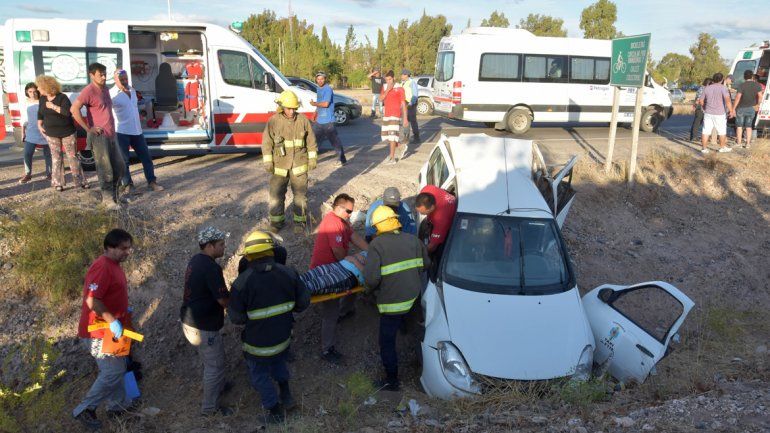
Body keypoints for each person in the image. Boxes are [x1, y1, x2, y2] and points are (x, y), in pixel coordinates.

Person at [228, 231, 310, 424]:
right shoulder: (289, 273)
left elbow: (236, 318)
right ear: (271, 251)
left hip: (257, 345)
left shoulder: (242, 283)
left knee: (260, 376)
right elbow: (303, 303)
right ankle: (287, 396)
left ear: (248, 256)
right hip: (283, 339)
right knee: (279, 363)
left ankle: (274, 411)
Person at [72, 229, 134, 431]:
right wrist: (112, 321)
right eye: (124, 248)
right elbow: (92, 299)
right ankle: (85, 409)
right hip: (98, 330)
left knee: (116, 369)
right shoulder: (102, 267)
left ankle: (117, 407)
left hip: (109, 330)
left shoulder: (113, 265)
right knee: (113, 371)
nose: (128, 252)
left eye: (129, 248)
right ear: (110, 247)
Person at [363, 206, 429, 391]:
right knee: (417, 331)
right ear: (396, 221)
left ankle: (392, 381)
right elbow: (425, 264)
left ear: (378, 227)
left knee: (387, 342)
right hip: (413, 298)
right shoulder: (413, 240)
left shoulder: (377, 245)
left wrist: (367, 291)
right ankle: (423, 367)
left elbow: (371, 278)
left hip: (392, 303)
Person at [310, 193, 368, 363]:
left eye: (352, 211)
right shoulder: (333, 223)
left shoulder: (342, 221)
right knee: (331, 310)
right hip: (327, 271)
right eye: (349, 211)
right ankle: (327, 350)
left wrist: (371, 251)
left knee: (354, 283)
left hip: (337, 266)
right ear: (338, 207)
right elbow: (338, 252)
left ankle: (347, 310)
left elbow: (354, 237)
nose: (351, 214)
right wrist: (353, 262)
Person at [180, 227, 232, 417]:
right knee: (214, 366)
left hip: (190, 321)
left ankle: (220, 385)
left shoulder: (196, 260)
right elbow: (223, 300)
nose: (224, 248)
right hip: (202, 326)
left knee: (211, 361)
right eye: (221, 245)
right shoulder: (211, 267)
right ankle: (210, 408)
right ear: (209, 246)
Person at [263, 90, 318, 232]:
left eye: (294, 108)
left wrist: (312, 159)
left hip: (299, 166)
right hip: (279, 166)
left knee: (300, 196)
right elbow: (267, 143)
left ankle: (299, 223)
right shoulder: (273, 121)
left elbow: (311, 141)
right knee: (276, 195)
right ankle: (276, 223)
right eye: (289, 108)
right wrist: (268, 161)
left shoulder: (303, 120)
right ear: (282, 107)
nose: (292, 111)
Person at [72, 62, 125, 209]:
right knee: (105, 169)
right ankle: (107, 200)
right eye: (100, 74)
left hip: (111, 134)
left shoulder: (105, 89)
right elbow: (74, 109)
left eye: (104, 74)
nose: (103, 77)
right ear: (91, 75)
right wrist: (88, 128)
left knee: (119, 167)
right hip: (99, 136)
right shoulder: (88, 91)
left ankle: (115, 196)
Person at [110, 69, 163, 195]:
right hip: (121, 131)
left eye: (125, 78)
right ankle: (128, 185)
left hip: (137, 131)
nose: (124, 81)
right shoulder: (111, 94)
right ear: (115, 80)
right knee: (124, 160)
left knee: (146, 157)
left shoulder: (132, 90)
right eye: (121, 79)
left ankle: (152, 182)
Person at [35, 75, 88, 191]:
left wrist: (53, 106)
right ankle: (58, 183)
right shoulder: (42, 99)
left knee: (72, 156)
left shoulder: (62, 97)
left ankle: (80, 182)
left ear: (46, 86)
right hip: (51, 133)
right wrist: (39, 124)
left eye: (39, 87)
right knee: (56, 158)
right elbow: (40, 113)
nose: (38, 89)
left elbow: (67, 113)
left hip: (67, 132)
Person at [415, 185, 457, 279]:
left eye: (424, 213)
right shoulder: (427, 189)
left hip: (452, 223)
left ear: (432, 207)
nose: (421, 215)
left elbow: (432, 247)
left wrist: (417, 252)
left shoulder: (440, 220)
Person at [310, 71, 346, 166]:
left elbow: (325, 104)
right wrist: (315, 113)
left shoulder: (328, 89)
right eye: (318, 79)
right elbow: (320, 103)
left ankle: (342, 160)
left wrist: (314, 104)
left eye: (322, 79)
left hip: (328, 121)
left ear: (325, 79)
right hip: (319, 121)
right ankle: (312, 160)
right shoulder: (318, 89)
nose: (320, 80)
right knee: (313, 140)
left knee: (335, 142)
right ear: (316, 80)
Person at [19, 82, 52, 184]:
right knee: (27, 153)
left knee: (48, 154)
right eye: (30, 92)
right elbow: (23, 119)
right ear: (26, 92)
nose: (32, 94)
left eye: (34, 91)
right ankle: (27, 174)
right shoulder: (25, 103)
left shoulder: (43, 101)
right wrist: (22, 133)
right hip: (31, 131)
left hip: (44, 130)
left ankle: (50, 173)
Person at [300, 251, 367, 296]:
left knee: (319, 283)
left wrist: (354, 260)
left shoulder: (377, 260)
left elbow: (371, 276)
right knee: (314, 273)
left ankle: (293, 294)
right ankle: (293, 283)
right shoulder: (372, 248)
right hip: (340, 264)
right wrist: (354, 257)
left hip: (349, 275)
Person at [698, 72, 734, 154]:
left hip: (708, 112)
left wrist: (704, 108)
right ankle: (722, 147)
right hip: (720, 113)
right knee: (722, 131)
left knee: (706, 131)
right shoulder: (723, 88)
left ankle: (704, 148)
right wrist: (731, 111)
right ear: (722, 80)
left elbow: (701, 100)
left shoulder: (707, 88)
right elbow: (728, 101)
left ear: (713, 79)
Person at [380, 70, 407, 164]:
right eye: (386, 80)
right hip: (386, 114)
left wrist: (405, 118)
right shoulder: (384, 87)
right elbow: (380, 99)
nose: (388, 81)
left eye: (390, 79)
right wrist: (387, 90)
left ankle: (392, 158)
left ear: (394, 78)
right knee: (387, 136)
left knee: (392, 136)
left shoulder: (399, 88)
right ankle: (400, 146)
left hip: (395, 115)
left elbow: (403, 104)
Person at [731, 70, 763, 149]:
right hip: (751, 108)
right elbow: (760, 96)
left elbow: (738, 97)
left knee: (739, 126)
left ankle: (739, 143)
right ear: (752, 76)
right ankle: (748, 144)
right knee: (749, 127)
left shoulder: (742, 85)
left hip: (741, 108)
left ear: (744, 76)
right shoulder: (757, 85)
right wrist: (758, 105)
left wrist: (733, 108)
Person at [400, 69, 420, 146]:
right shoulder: (403, 83)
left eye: (402, 74)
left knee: (413, 121)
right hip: (405, 104)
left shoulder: (412, 82)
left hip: (410, 104)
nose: (401, 76)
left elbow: (415, 94)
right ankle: (406, 137)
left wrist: (411, 103)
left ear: (406, 75)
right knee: (405, 121)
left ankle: (416, 137)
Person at [690, 78, 711, 142]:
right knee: (697, 122)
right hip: (700, 107)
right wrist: (695, 106)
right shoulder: (703, 89)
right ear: (708, 83)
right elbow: (698, 99)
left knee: (698, 122)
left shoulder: (702, 88)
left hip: (701, 107)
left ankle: (694, 136)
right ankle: (693, 137)